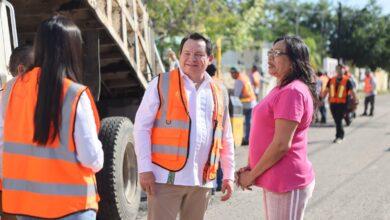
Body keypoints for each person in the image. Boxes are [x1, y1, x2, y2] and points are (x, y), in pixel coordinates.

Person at [0, 15, 103, 219]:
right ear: (72, 49)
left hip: (26, 206)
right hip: (73, 207)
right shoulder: (75, 94)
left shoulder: (8, 91)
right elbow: (92, 159)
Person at [134, 33, 234, 220]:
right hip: (165, 179)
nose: (191, 59)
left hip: (202, 181)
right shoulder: (160, 83)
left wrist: (228, 174)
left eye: (198, 54)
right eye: (186, 53)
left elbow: (225, 136)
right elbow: (141, 128)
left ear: (209, 59)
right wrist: (144, 168)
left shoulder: (219, 91)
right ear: (179, 56)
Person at [236, 36, 316, 220]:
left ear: (294, 61)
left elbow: (281, 144)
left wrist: (251, 175)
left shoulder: (292, 92)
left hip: (287, 180)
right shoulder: (281, 88)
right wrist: (250, 168)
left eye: (277, 53)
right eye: (270, 52)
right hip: (276, 178)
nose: (270, 57)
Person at [323, 64, 358, 143]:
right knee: (336, 120)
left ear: (343, 70)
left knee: (338, 120)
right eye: (338, 69)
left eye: (341, 69)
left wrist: (355, 100)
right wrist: (321, 98)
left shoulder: (347, 80)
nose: (339, 70)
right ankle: (340, 134)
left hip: (342, 104)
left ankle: (339, 136)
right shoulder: (331, 79)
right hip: (332, 103)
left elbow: (353, 91)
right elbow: (326, 90)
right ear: (336, 70)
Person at [230, 67, 256, 145]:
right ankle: (248, 138)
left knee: (238, 121)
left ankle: (238, 138)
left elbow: (236, 95)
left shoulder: (238, 80)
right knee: (249, 122)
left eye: (232, 73)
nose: (231, 75)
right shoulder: (244, 77)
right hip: (252, 102)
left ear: (236, 73)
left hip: (245, 104)